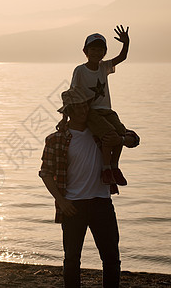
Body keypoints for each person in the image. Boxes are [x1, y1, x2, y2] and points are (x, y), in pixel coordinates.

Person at [39, 89, 139, 288]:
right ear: (69, 111)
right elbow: (45, 173)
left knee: (111, 258)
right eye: (77, 107)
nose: (83, 110)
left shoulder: (101, 132)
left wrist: (120, 140)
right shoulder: (56, 139)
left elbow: (134, 139)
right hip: (72, 206)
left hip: (102, 202)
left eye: (85, 105)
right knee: (72, 260)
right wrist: (62, 201)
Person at [57, 25, 131, 186]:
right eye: (93, 49)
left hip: (107, 110)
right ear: (85, 51)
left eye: (100, 50)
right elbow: (73, 93)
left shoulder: (104, 67)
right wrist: (65, 118)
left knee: (121, 133)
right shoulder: (80, 71)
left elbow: (122, 57)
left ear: (104, 53)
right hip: (91, 112)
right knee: (109, 135)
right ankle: (106, 169)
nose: (96, 53)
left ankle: (114, 166)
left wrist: (126, 43)